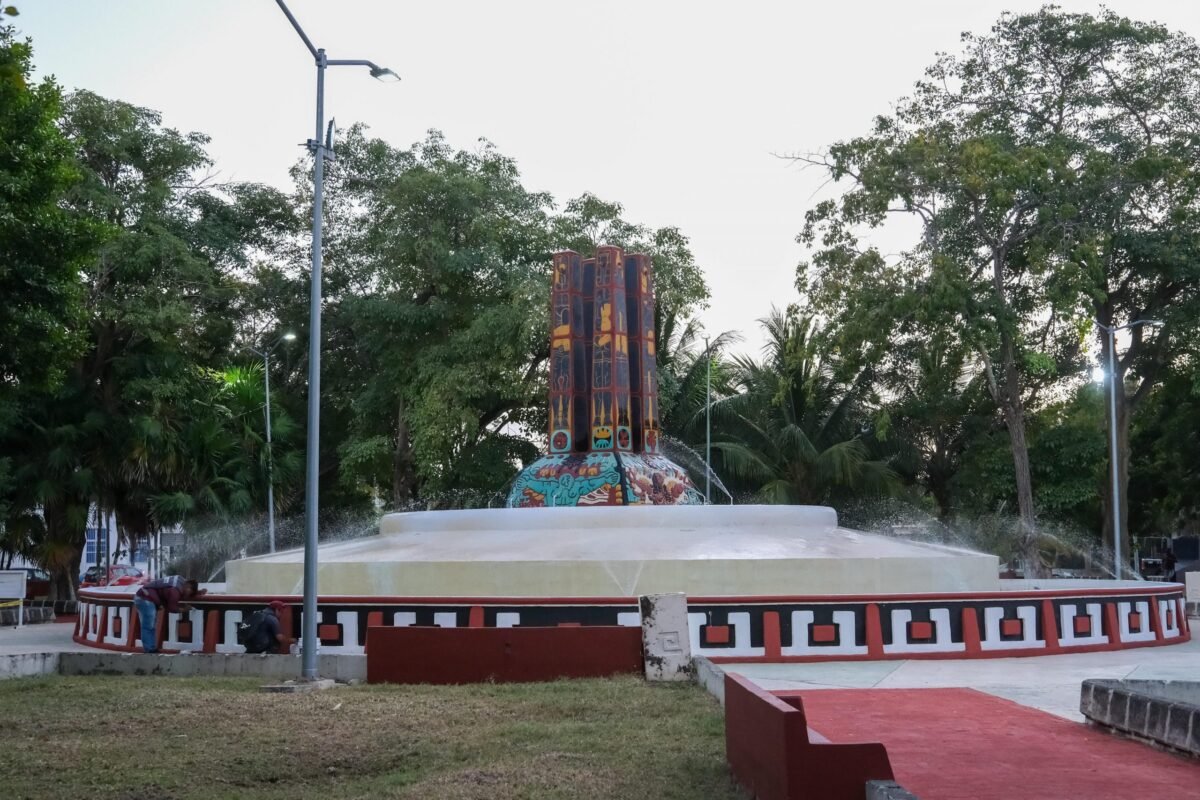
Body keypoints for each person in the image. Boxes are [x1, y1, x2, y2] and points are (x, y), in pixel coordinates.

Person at [132, 576, 203, 654]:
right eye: (190, 592)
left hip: (143, 596)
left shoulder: (179, 581)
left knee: (150, 625)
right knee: (149, 625)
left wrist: (197, 593)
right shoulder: (174, 591)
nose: (188, 594)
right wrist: (184, 609)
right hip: (145, 598)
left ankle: (151, 648)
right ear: (187, 586)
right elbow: (172, 608)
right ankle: (149, 649)